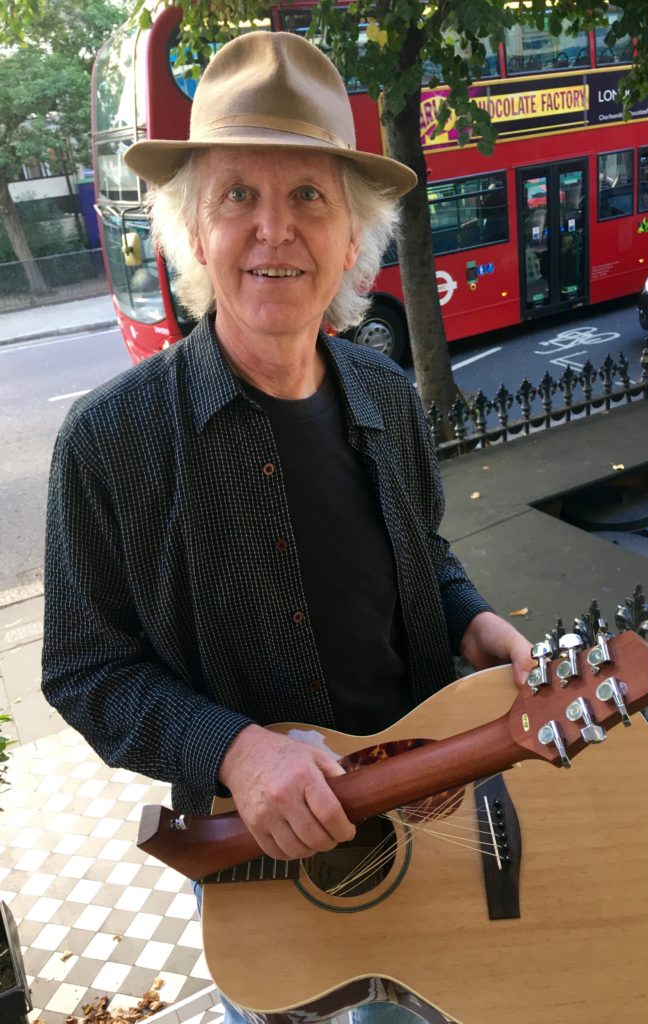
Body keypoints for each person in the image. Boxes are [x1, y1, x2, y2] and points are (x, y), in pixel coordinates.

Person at [42, 30, 533, 1024]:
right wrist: (233, 749)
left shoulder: (388, 395)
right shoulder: (106, 442)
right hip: (264, 887)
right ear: (193, 231)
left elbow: (422, 555)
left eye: (309, 196)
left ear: (352, 238)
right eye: (238, 197)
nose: (276, 230)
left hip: (424, 832)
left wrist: (472, 618)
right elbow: (86, 669)